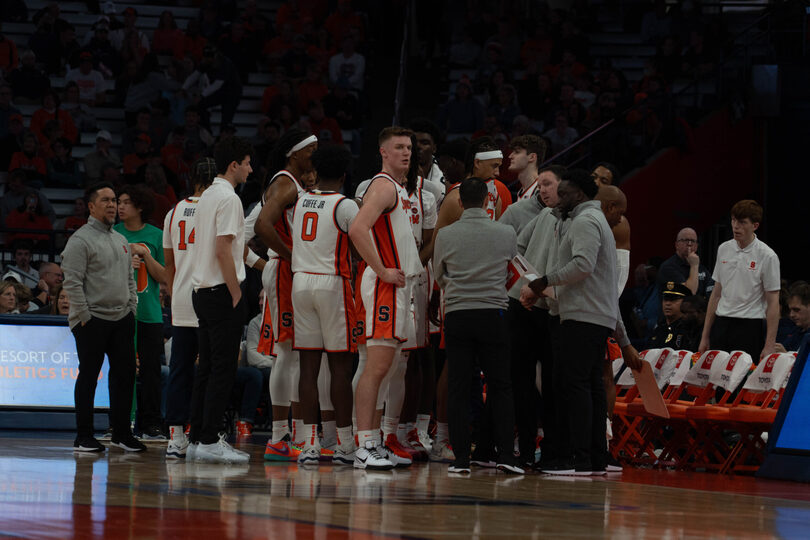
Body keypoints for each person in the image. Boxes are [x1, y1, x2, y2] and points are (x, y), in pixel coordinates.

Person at [524, 169, 638, 475]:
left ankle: (577, 458)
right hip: (594, 316)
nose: (559, 198)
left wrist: (544, 281)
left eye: (565, 193)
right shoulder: (590, 219)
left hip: (582, 316)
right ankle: (595, 458)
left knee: (572, 387)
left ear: (581, 195)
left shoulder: (586, 220)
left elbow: (583, 265)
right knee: (590, 387)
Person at [432, 177, 523, 474]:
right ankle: (506, 457)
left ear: (459, 202)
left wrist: (459, 288)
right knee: (500, 385)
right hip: (492, 312)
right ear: (488, 200)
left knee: (458, 386)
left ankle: (461, 460)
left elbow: (439, 275)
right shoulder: (506, 232)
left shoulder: (445, 235)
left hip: (458, 313)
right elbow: (513, 269)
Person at [348, 126, 423, 470]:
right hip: (384, 286)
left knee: (387, 368)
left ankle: (373, 440)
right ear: (384, 152)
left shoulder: (398, 188)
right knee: (376, 367)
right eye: (399, 147)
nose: (406, 152)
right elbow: (357, 228)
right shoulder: (382, 185)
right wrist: (380, 269)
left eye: (409, 147)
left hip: (398, 286)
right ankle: (364, 444)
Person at [61, 182, 144, 453]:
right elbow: (72, 283)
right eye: (106, 200)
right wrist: (84, 316)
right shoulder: (80, 240)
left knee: (125, 376)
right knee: (89, 376)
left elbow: (129, 278)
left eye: (114, 200)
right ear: (92, 206)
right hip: (92, 320)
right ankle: (83, 436)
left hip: (122, 318)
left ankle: (121, 433)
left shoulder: (120, 239)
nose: (112, 205)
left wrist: (132, 306)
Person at [291, 145, 358, 465]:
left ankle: (309, 443)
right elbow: (360, 244)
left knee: (307, 368)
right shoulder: (345, 206)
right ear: (344, 175)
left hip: (300, 281)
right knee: (339, 368)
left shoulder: (302, 200)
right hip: (332, 282)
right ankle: (345, 443)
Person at [187, 136, 253, 464]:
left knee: (207, 368)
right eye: (247, 163)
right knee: (222, 369)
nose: (250, 169)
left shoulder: (207, 196)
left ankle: (198, 437)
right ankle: (210, 439)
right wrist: (236, 290)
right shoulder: (229, 198)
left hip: (201, 291)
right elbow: (223, 248)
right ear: (233, 165)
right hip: (221, 291)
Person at [254, 129, 317, 461]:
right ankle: (279, 437)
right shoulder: (285, 183)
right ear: (296, 154)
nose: (316, 155)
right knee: (287, 353)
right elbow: (262, 225)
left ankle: (293, 434)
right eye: (312, 150)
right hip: (283, 270)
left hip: (290, 271)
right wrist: (291, 255)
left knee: (294, 353)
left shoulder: (295, 182)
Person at [163, 157, 216, 459]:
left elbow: (170, 263)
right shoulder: (216, 208)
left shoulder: (173, 213)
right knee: (207, 370)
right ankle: (201, 436)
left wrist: (173, 293)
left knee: (180, 369)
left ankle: (175, 437)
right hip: (208, 295)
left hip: (182, 296)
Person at [114, 185, 168, 439]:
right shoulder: (112, 234)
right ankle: (120, 423)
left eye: (126, 202)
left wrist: (145, 254)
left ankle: (151, 424)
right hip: (119, 312)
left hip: (149, 312)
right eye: (118, 202)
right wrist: (126, 261)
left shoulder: (156, 235)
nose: (119, 207)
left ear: (140, 207)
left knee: (151, 372)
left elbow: (165, 277)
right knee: (121, 369)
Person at [699, 200, 780, 362]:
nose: (736, 226)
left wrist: (769, 343)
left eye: (742, 222)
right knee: (715, 383)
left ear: (755, 226)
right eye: (734, 220)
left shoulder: (767, 255)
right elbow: (716, 294)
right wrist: (705, 336)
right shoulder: (724, 248)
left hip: (749, 327)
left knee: (741, 383)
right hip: (721, 324)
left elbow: (773, 303)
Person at [657, 227, 714, 297]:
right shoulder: (668, 267)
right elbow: (689, 293)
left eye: (693, 241)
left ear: (696, 246)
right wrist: (694, 266)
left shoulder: (702, 269)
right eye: (686, 240)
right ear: (676, 245)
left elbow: (712, 293)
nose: (689, 244)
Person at [648, 282, 698, 350]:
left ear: (684, 303)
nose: (668, 303)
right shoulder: (659, 329)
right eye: (665, 299)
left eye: (673, 299)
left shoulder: (688, 329)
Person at [508, 135, 547, 200]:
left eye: (517, 152)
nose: (510, 156)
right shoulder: (521, 191)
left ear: (532, 157)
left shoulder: (542, 191)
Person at [778, 282, 810, 352]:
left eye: (796, 310)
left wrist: (785, 355)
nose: (791, 315)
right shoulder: (795, 331)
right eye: (790, 310)